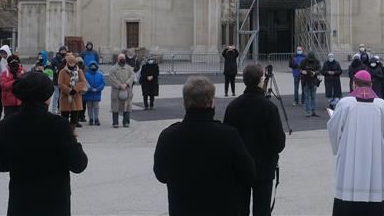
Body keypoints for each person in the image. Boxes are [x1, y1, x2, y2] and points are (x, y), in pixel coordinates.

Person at [154, 75, 255, 216]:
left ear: (184, 103)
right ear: (212, 103)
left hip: (183, 208)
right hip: (222, 207)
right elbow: (248, 173)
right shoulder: (228, 135)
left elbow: (161, 175)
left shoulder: (168, 135)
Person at [0, 71, 88, 216]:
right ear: (46, 98)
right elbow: (79, 164)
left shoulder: (7, 124)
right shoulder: (58, 125)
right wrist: (73, 140)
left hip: (21, 202)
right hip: (53, 203)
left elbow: (1, 165)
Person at [327, 70, 384, 216]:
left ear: (354, 84)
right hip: (373, 157)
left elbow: (334, 129)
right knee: (373, 191)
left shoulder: (344, 104)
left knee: (347, 189)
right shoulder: (382, 105)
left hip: (349, 157)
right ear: (371, 84)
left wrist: (338, 147)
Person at [223, 64, 286, 216]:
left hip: (239, 167)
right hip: (263, 168)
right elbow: (278, 143)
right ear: (260, 81)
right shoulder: (269, 108)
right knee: (262, 210)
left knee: (240, 209)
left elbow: (226, 140)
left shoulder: (233, 106)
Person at [58, 53, 87, 128]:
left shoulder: (79, 71)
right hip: (65, 97)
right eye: (70, 62)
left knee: (74, 116)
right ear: (67, 63)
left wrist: (75, 89)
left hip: (76, 96)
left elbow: (83, 82)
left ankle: (72, 130)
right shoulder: (62, 72)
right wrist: (69, 90)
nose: (72, 64)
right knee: (64, 116)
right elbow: (60, 84)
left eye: (73, 62)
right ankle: (65, 130)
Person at [107, 53, 135, 128]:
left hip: (127, 90)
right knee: (115, 107)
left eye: (123, 58)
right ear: (117, 59)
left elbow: (132, 76)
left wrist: (126, 84)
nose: (122, 59)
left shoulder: (129, 68)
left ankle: (126, 122)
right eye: (120, 58)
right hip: (116, 91)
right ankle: (115, 122)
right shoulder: (113, 69)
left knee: (127, 107)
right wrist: (120, 85)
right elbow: (112, 78)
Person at [0, 55, 25, 119]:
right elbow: (3, 85)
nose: (14, 63)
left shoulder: (23, 71)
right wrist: (14, 82)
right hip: (9, 103)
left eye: (16, 61)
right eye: (12, 61)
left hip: (21, 102)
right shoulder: (5, 73)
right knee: (9, 120)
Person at [300, 51, 322, 117]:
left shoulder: (317, 61)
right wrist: (302, 71)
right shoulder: (304, 61)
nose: (311, 61)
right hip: (306, 81)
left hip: (314, 81)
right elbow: (300, 68)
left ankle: (313, 111)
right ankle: (308, 111)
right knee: (307, 97)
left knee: (313, 97)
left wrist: (315, 73)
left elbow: (320, 69)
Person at [83, 61, 105, 126]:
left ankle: (96, 118)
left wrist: (97, 89)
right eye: (92, 66)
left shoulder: (100, 75)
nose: (93, 67)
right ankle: (91, 119)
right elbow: (85, 83)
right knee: (89, 107)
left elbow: (102, 83)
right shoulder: (86, 74)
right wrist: (90, 88)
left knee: (96, 107)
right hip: (88, 93)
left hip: (97, 94)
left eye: (94, 66)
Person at [50, 46, 68, 113]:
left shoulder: (67, 58)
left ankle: (61, 109)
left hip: (64, 80)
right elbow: (52, 67)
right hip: (56, 80)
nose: (63, 52)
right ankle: (54, 110)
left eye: (64, 51)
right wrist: (55, 70)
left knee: (62, 96)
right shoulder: (55, 59)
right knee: (56, 96)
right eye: (62, 50)